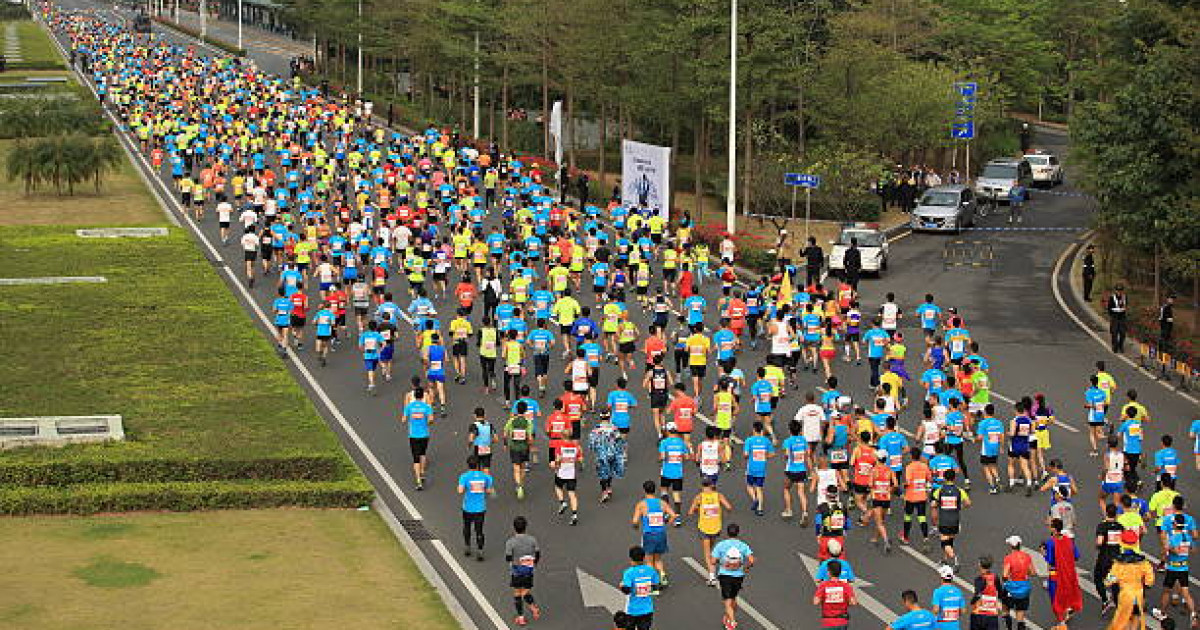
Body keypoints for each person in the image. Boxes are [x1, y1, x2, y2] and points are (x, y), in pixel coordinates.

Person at [631, 480, 676, 588]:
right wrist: (666, 523)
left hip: (649, 535)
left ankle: (653, 582)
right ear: (654, 490)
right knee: (658, 559)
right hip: (661, 534)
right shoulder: (661, 503)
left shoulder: (642, 504)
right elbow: (673, 515)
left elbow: (635, 521)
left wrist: (636, 526)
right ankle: (662, 575)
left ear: (644, 490)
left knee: (649, 561)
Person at [1153, 513, 1196, 624]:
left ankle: (1162, 613)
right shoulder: (1188, 537)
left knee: (1167, 591)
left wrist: (1168, 548)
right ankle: (1193, 614)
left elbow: (1174, 551)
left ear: (1175, 524)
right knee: (1186, 593)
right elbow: (1193, 550)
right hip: (1184, 567)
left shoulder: (1173, 538)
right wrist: (1184, 551)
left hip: (1173, 568)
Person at [711, 523, 755, 630]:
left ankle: (732, 621)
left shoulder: (721, 545)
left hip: (725, 575)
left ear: (727, 532)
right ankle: (728, 618)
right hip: (739, 576)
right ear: (738, 533)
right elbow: (751, 560)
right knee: (733, 598)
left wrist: (720, 562)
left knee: (727, 600)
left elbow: (712, 561)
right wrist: (746, 568)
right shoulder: (743, 545)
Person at [1042, 518, 1082, 629]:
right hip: (1069, 573)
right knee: (1066, 594)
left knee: (1055, 600)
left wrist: (1043, 553)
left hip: (1056, 575)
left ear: (1054, 529)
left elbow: (1050, 561)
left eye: (1050, 526)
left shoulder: (1051, 543)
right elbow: (1076, 556)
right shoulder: (1068, 540)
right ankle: (1068, 610)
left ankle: (1061, 624)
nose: (1049, 527)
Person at [504, 516, 542, 626]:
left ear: (514, 528)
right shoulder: (532, 539)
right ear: (525, 527)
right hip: (529, 570)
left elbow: (508, 558)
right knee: (525, 591)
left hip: (516, 571)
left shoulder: (510, 542)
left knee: (517, 593)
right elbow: (538, 554)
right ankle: (533, 607)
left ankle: (521, 617)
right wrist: (534, 564)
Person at [457, 455, 495, 561]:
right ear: (478, 465)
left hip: (468, 507)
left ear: (468, 465)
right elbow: (489, 490)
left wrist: (464, 487)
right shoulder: (486, 477)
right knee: (479, 530)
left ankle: (467, 546)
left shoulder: (464, 476)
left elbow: (460, 491)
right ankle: (480, 550)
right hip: (480, 508)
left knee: (467, 527)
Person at [619, 546, 660, 630]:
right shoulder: (651, 570)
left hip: (633, 610)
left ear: (631, 559)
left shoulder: (629, 573)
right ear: (644, 558)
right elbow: (656, 587)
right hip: (647, 609)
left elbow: (626, 590)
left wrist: (621, 586)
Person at [813, 558, 857, 630]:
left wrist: (826, 598)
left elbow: (816, 602)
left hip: (828, 622)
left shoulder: (824, 585)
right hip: (842, 621)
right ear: (839, 572)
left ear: (829, 572)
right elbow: (853, 602)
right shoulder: (846, 586)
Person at [1002, 536, 1034, 630]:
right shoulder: (1027, 556)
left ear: (1011, 546)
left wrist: (1006, 580)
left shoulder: (1009, 558)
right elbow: (1033, 572)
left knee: (1005, 610)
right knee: (1020, 615)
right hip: (1024, 588)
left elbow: (1005, 575)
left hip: (1011, 589)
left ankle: (1009, 628)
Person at [970, 555, 1004, 630]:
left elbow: (978, 595)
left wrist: (972, 602)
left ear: (980, 565)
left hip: (979, 614)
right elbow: (1001, 593)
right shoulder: (995, 578)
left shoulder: (979, 579)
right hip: (992, 614)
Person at [932, 564, 966, 630]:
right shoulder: (958, 591)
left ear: (942, 578)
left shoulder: (938, 591)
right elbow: (963, 611)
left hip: (942, 626)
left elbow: (936, 610)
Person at [1107, 285, 1128, 354]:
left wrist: (1123, 310)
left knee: (1123, 333)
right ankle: (1114, 346)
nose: (1119, 292)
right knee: (1114, 332)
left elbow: (1125, 306)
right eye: (1118, 291)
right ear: (1116, 291)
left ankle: (1120, 345)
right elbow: (1109, 308)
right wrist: (1113, 314)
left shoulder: (1124, 297)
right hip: (1115, 317)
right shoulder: (1112, 298)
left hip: (1122, 317)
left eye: (1121, 291)